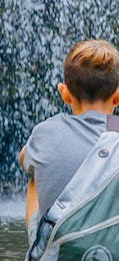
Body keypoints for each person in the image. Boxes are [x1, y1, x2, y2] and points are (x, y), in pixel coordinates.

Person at [19, 39, 119, 243]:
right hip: (113, 259)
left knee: (34, 180)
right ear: (117, 97)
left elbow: (23, 161)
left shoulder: (45, 132)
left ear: (64, 94)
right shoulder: (116, 131)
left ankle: (41, 252)